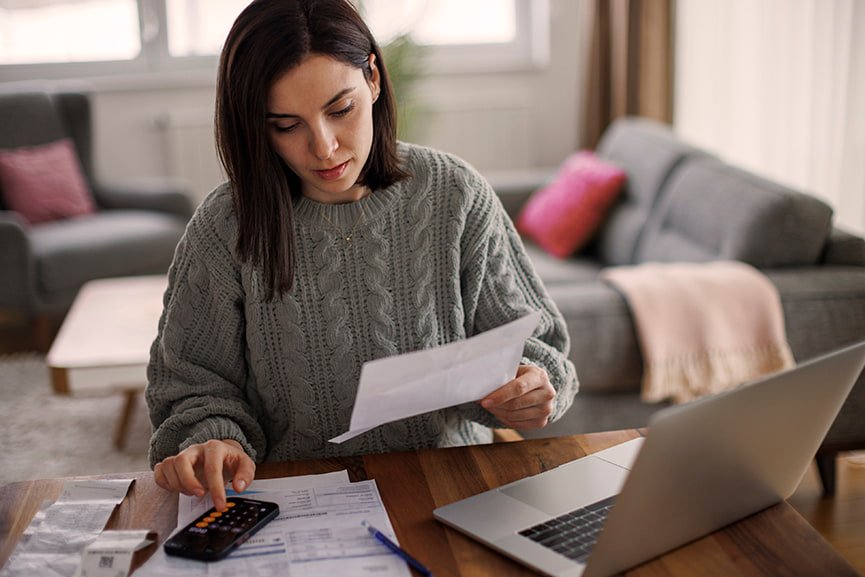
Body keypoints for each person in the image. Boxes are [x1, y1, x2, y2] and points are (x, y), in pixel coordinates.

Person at [146, 0, 578, 510]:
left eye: (340, 110)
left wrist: (532, 386)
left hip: (452, 494)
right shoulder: (225, 227)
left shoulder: (455, 195)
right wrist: (213, 439)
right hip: (294, 503)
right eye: (287, 125)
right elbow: (191, 385)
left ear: (373, 78)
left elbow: (541, 347)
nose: (324, 147)